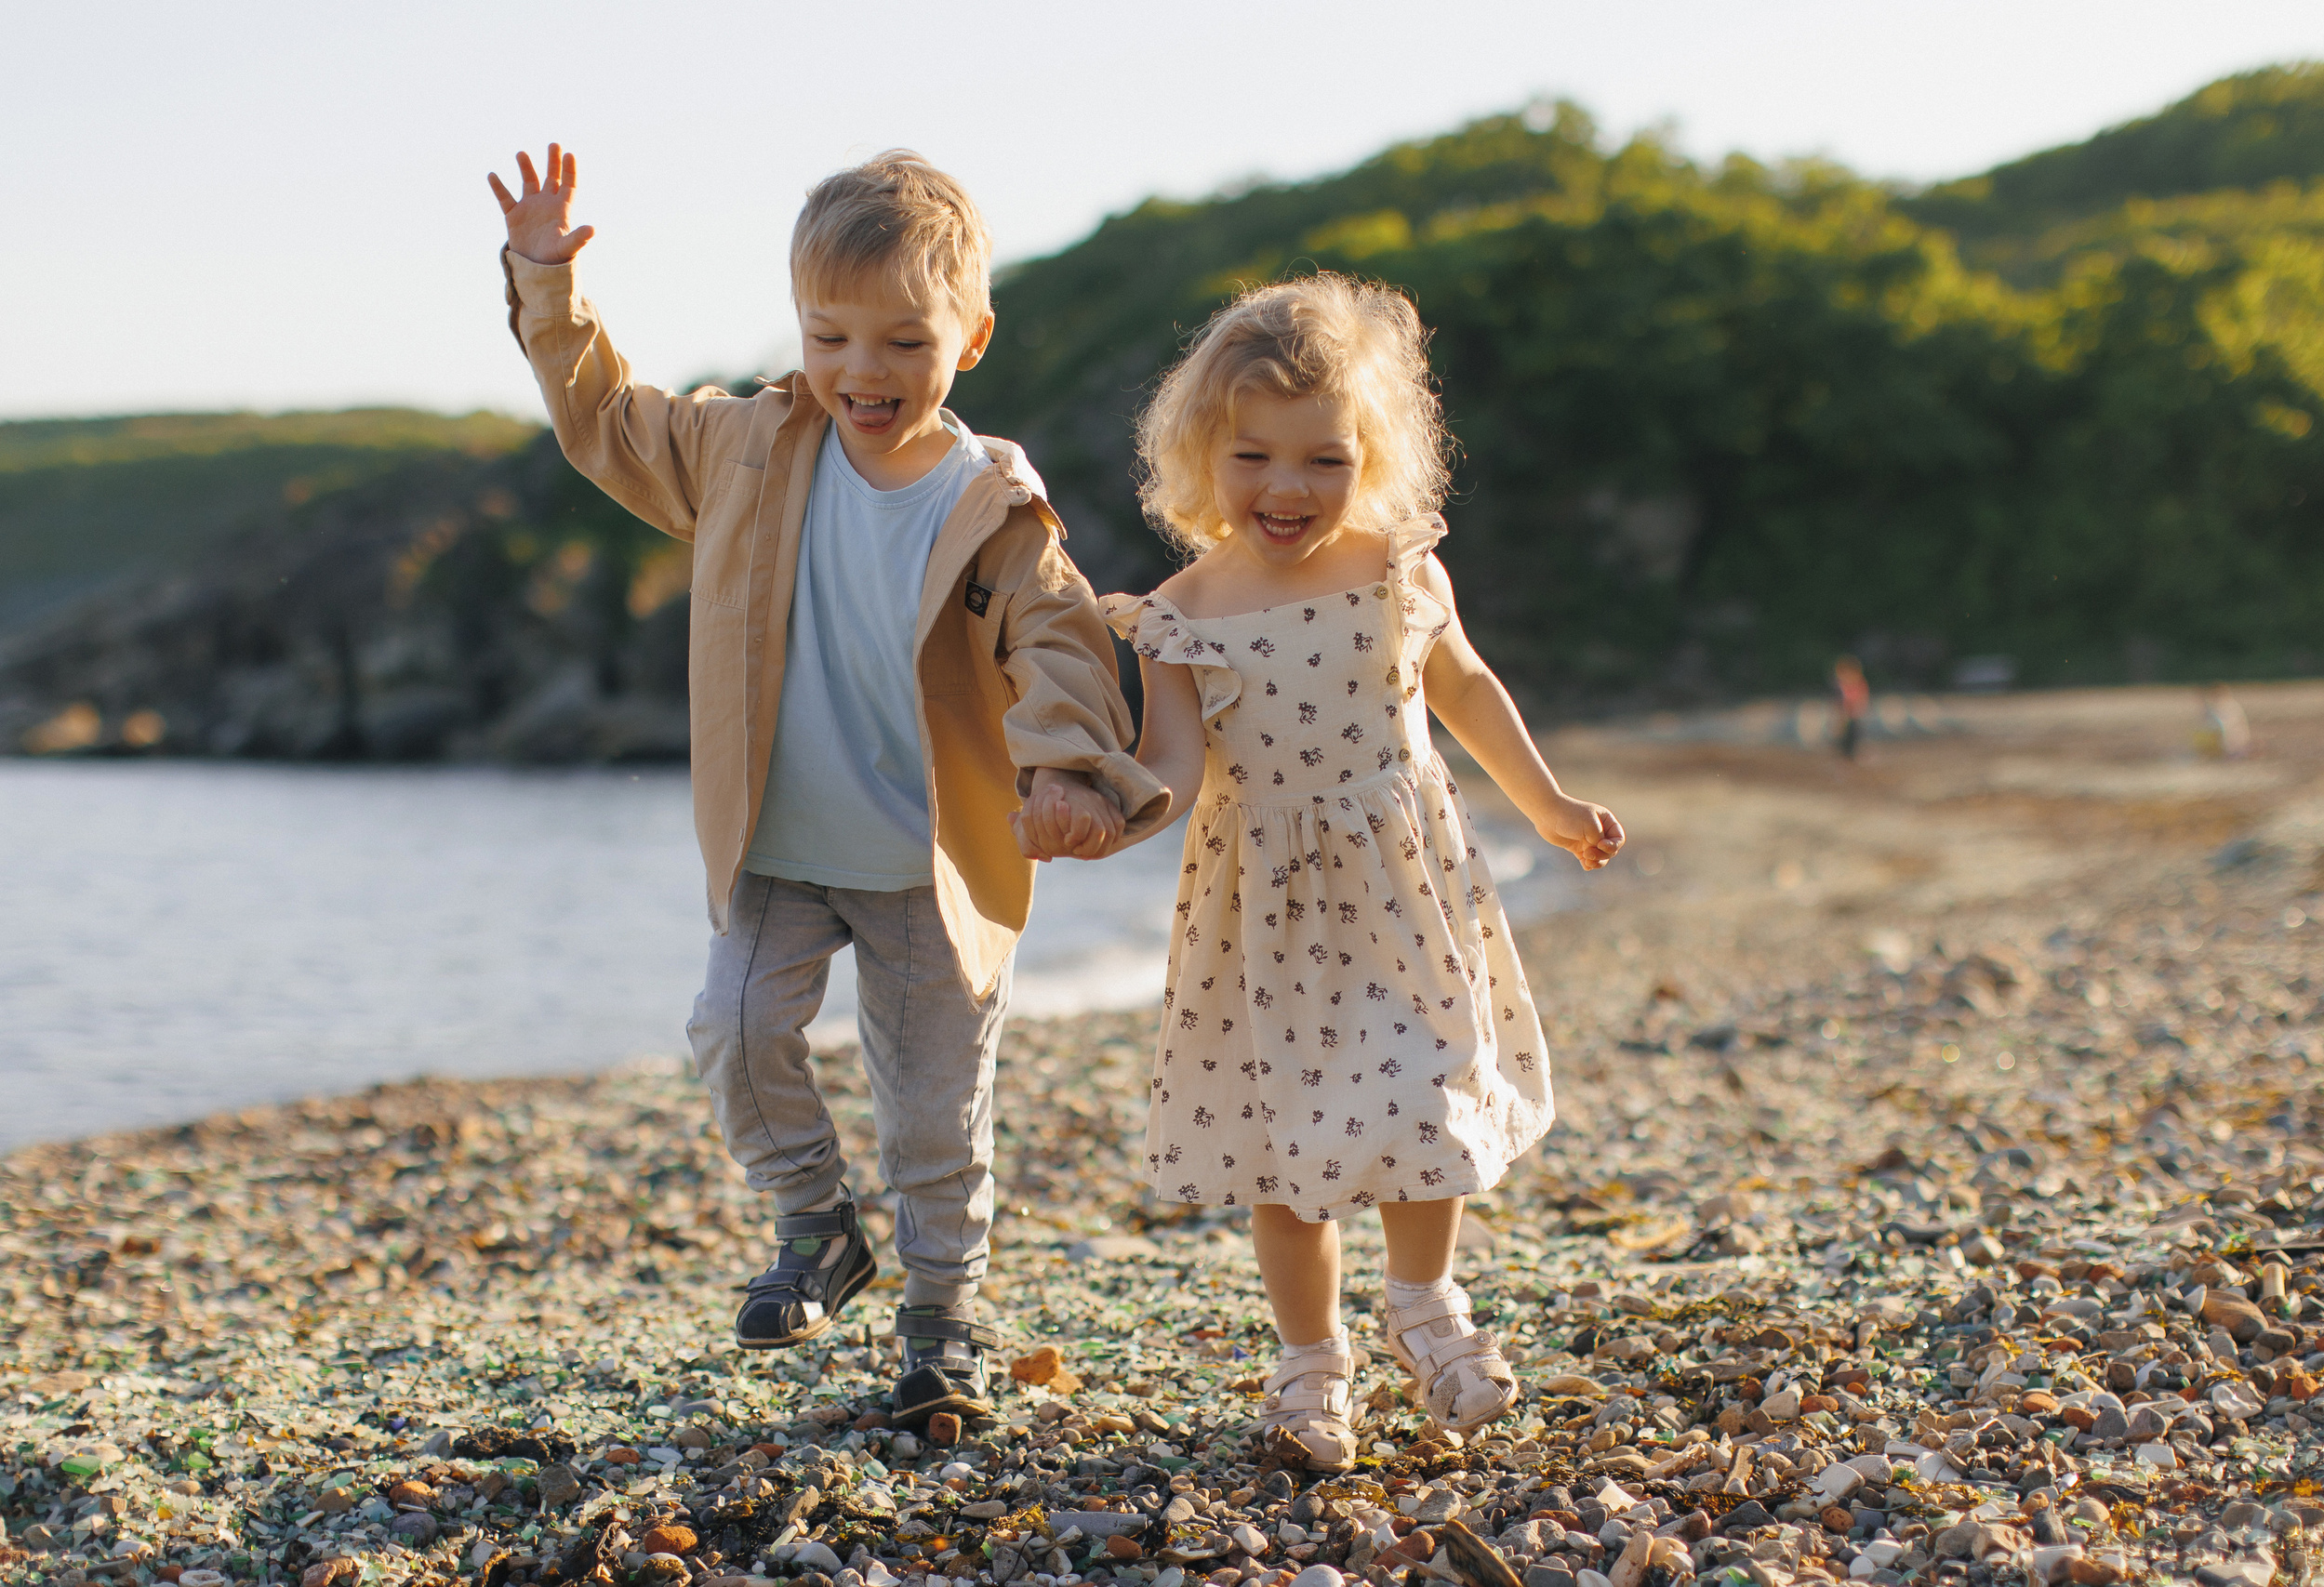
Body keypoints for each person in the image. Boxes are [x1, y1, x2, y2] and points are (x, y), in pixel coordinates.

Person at [486, 145, 1166, 1427]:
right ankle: (815, 1226)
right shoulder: (746, 448)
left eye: (904, 339)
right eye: (830, 334)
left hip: (931, 866)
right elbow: (605, 420)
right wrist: (545, 285)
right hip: (780, 845)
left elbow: (1062, 642)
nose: (863, 369)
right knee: (734, 1031)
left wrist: (1067, 767)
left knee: (932, 1118)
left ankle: (941, 1323)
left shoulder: (993, 506)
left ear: (970, 338)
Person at [1015, 274, 1625, 1467]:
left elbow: (1465, 691)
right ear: (1203, 453)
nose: (1286, 489)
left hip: (1402, 883)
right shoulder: (1183, 616)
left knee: (1421, 1093)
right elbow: (1171, 771)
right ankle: (1310, 1366)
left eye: (1324, 461)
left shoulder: (1398, 566)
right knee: (1284, 1154)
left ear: (1373, 456)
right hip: (1267, 911)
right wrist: (1096, 817)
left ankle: (1425, 1306)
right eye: (1253, 458)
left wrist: (1545, 804)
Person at [1831, 655, 1869, 760]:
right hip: (1846, 714)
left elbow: (1861, 698)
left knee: (1853, 736)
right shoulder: (1842, 684)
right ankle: (1846, 755)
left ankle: (1849, 755)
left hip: (1853, 714)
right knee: (1846, 737)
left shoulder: (1857, 682)